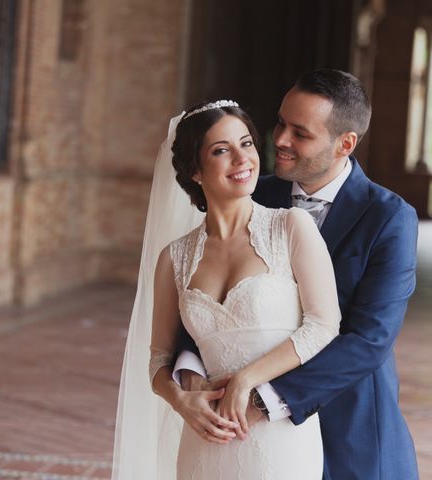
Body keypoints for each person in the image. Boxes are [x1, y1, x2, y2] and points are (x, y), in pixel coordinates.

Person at [176, 69, 420, 479]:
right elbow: (203, 289)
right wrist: (191, 377)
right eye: (280, 123)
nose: (281, 140)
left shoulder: (388, 217)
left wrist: (262, 401)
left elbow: (369, 339)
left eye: (300, 133)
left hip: (348, 433)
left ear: (345, 143)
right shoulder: (252, 192)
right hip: (240, 435)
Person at [111, 99, 342, 479]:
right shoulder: (175, 258)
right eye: (222, 150)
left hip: (277, 435)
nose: (241, 158)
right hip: (205, 436)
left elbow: (323, 324)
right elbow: (158, 358)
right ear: (195, 171)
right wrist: (182, 401)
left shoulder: (291, 228)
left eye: (246, 143)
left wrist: (246, 381)